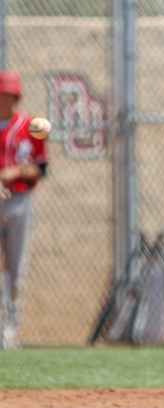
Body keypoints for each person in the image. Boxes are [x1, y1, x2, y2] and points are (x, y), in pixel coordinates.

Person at [0, 70, 49, 349]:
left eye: (9, 94)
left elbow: (41, 168)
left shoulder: (31, 126)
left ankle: (10, 332)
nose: (5, 99)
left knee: (16, 270)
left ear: (16, 97)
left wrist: (15, 171)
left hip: (19, 200)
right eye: (1, 93)